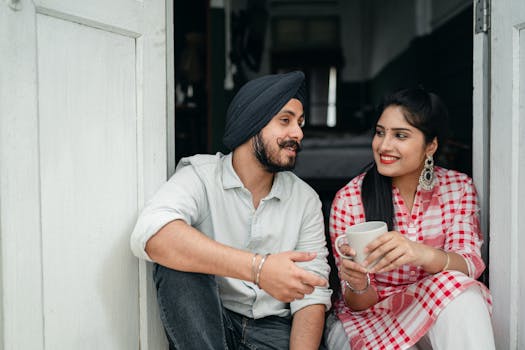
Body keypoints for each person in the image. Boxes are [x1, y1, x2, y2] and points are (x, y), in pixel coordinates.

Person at [130, 71, 332, 350]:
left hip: (274, 329)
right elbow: (151, 233)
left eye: (299, 123)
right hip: (211, 323)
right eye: (285, 120)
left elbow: (312, 295)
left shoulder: (305, 199)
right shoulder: (200, 176)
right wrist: (259, 269)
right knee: (177, 267)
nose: (298, 133)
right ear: (252, 123)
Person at [324, 87, 495, 350]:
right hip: (368, 319)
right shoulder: (349, 200)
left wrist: (419, 253)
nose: (384, 146)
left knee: (465, 294)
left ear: (431, 146)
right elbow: (358, 302)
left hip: (433, 306)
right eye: (380, 132)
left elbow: (470, 265)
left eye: (400, 135)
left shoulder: (457, 187)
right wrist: (357, 285)